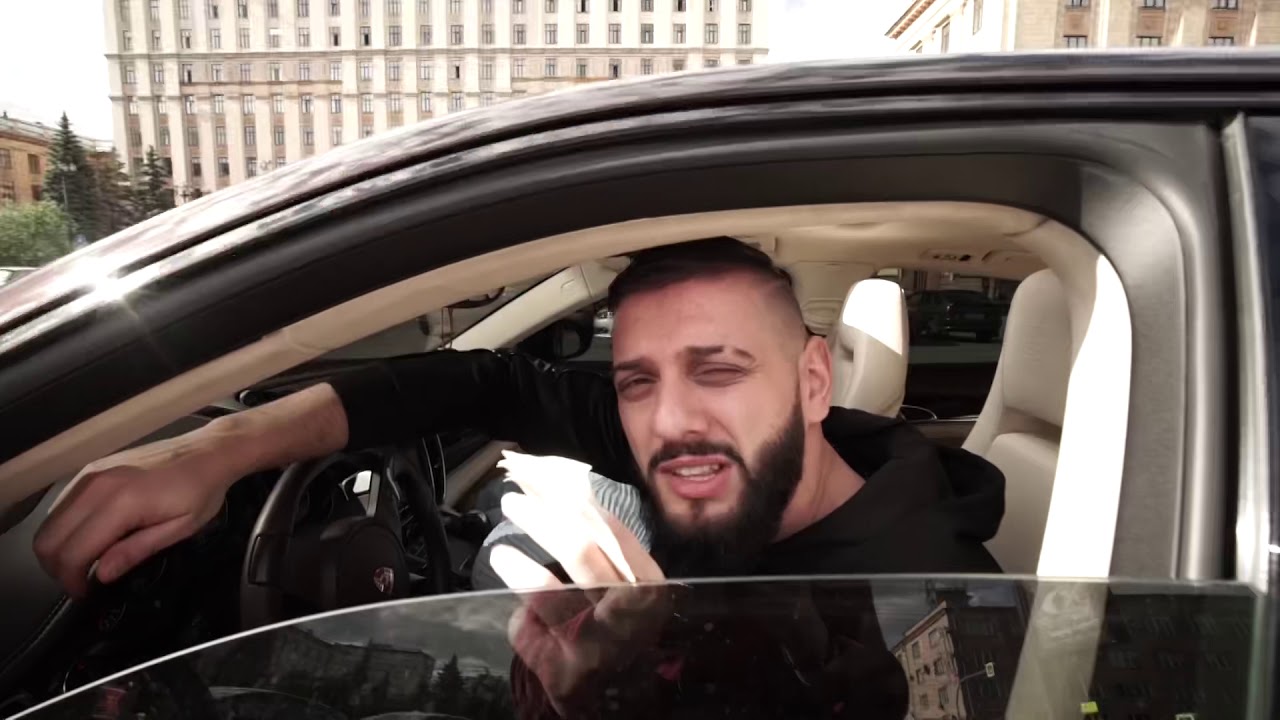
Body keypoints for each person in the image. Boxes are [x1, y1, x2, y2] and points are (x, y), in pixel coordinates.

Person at [33, 237, 1006, 716]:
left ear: (811, 380)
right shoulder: (722, 447)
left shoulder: (918, 601)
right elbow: (480, 381)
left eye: (718, 370)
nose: (669, 421)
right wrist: (214, 451)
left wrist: (619, 695)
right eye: (636, 381)